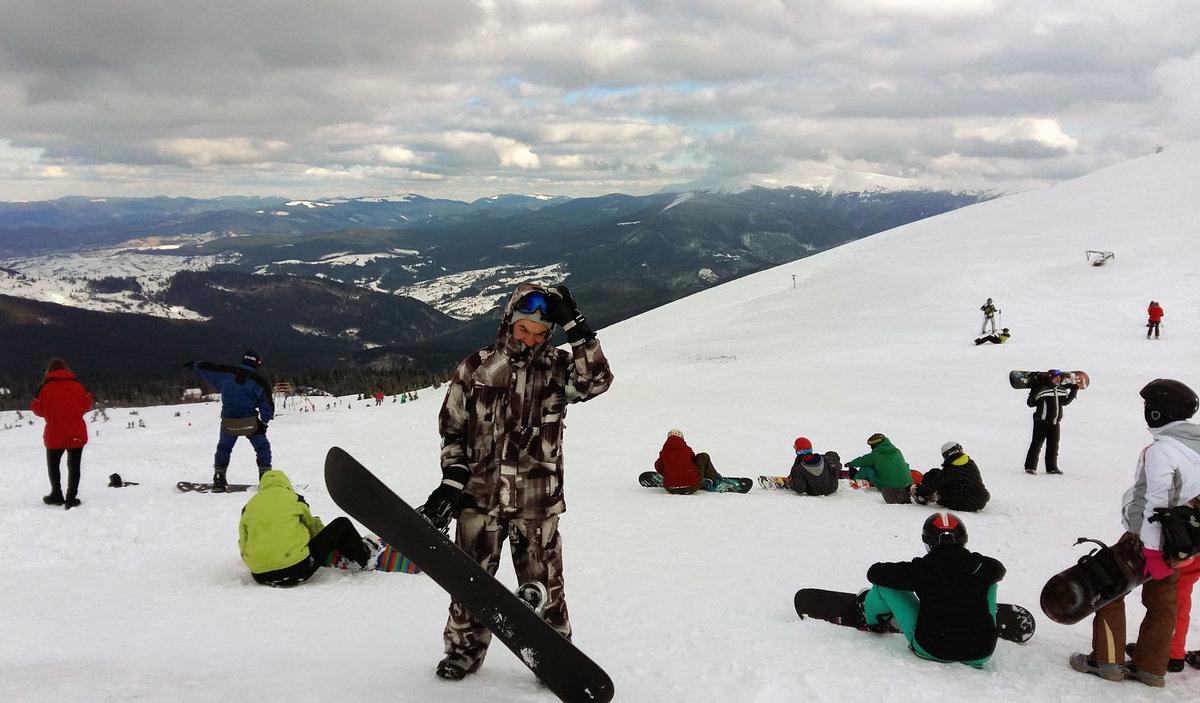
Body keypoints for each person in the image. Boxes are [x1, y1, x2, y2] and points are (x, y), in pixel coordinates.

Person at [419, 282, 613, 680]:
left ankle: (555, 658)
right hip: (479, 499)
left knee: (546, 587)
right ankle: (463, 654)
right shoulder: (476, 368)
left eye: (541, 333)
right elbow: (452, 429)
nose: (531, 340)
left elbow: (597, 381)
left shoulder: (559, 369)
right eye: (524, 330)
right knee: (470, 586)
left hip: (536, 502)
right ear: (509, 322)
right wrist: (453, 479)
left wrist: (577, 327)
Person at [1069, 378, 1200, 687]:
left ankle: (1106, 662)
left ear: (1158, 413)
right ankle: (1152, 668)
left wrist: (1152, 552)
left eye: (1148, 407)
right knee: (1164, 602)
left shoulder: (1162, 451)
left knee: (1109, 588)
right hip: (1185, 542)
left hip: (1147, 541)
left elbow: (1156, 504)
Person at [858, 512, 1006, 667]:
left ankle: (875, 622)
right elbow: (1000, 570)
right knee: (989, 582)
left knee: (884, 585)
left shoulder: (921, 570)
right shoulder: (981, 566)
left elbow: (875, 573)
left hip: (932, 648)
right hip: (980, 652)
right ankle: (980, 620)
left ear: (928, 543)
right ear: (964, 540)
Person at [238, 469, 373, 587]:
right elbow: (313, 529)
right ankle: (365, 557)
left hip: (259, 575)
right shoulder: (293, 498)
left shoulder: (249, 507)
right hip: (295, 570)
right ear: (285, 483)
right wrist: (331, 543)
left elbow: (243, 544)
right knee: (342, 524)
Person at [183, 350, 275, 492]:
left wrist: (195, 365)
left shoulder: (225, 374)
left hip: (228, 421)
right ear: (257, 363)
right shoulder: (259, 381)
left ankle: (219, 478)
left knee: (224, 448)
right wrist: (264, 423)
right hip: (250, 422)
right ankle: (266, 477)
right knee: (262, 448)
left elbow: (209, 369)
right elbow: (267, 405)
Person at [30, 358, 94, 509]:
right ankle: (71, 497)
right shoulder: (78, 385)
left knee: (53, 465)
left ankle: (56, 495)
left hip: (54, 432)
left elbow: (37, 410)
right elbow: (86, 403)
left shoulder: (44, 388)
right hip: (76, 430)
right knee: (74, 465)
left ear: (49, 371)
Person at [1023, 369, 1078, 475]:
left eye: (1059, 378)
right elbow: (1031, 403)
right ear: (1050, 378)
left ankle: (1052, 467)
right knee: (1036, 445)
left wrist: (1074, 390)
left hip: (1055, 423)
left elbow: (1065, 402)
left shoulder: (1061, 390)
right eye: (1055, 378)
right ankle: (1030, 467)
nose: (1058, 379)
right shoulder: (1043, 389)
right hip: (1041, 422)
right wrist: (1034, 388)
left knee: (1053, 446)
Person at [912, 442, 990, 511]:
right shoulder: (970, 463)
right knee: (939, 475)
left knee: (935, 475)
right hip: (981, 499)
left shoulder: (950, 471)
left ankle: (930, 497)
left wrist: (918, 490)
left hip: (964, 503)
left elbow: (933, 484)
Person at [847, 433, 912, 503]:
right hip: (906, 485)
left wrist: (850, 464)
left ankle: (856, 479)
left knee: (866, 467)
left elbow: (862, 460)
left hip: (886, 487)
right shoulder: (897, 451)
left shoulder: (875, 455)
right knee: (905, 464)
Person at [653, 429, 721, 494]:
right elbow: (693, 461)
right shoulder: (686, 449)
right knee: (703, 456)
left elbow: (658, 466)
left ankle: (674, 478)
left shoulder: (664, 451)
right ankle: (714, 479)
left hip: (670, 488)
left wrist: (668, 473)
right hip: (692, 486)